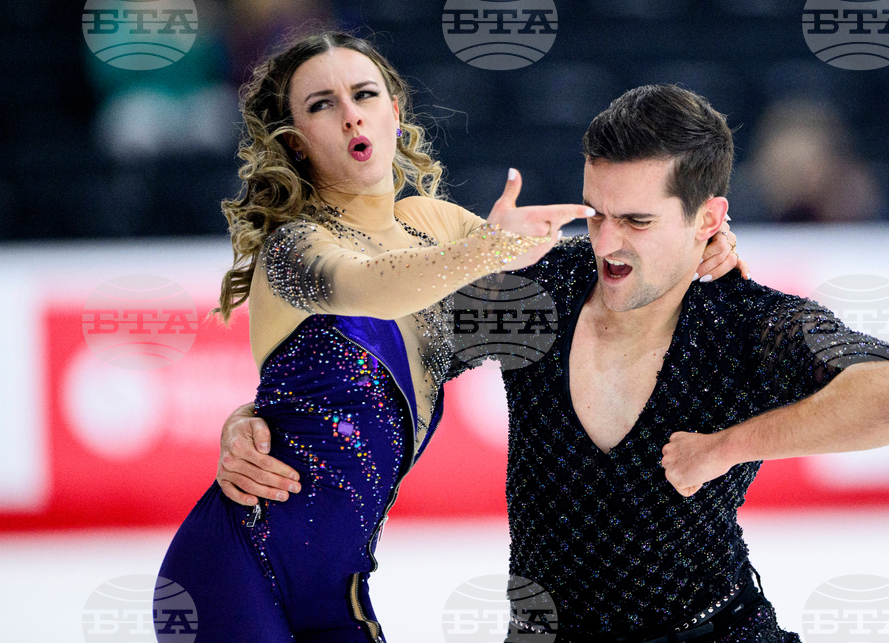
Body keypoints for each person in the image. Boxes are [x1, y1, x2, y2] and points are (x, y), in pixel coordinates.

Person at [218, 83, 889, 642]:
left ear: (709, 221)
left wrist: (728, 447)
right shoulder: (539, 292)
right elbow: (373, 352)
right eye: (597, 212)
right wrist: (255, 418)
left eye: (638, 220)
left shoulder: (748, 321)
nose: (608, 242)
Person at [154, 30, 598, 643]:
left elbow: (579, 291)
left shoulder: (433, 227)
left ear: (394, 111)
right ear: (295, 143)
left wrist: (694, 249)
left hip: (340, 591)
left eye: (364, 93)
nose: (350, 112)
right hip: (233, 570)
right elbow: (373, 288)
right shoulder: (294, 250)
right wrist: (488, 249)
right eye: (320, 105)